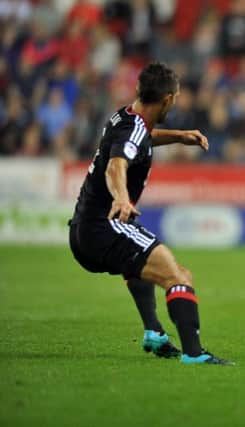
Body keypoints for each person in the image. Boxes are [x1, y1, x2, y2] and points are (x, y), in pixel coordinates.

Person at [68, 62, 232, 365]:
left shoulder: (124, 117)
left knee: (138, 262)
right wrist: (122, 198)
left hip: (81, 230)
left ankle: (154, 333)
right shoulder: (133, 130)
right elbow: (116, 164)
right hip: (104, 226)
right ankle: (194, 354)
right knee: (178, 275)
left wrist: (180, 136)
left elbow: (140, 139)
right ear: (168, 99)